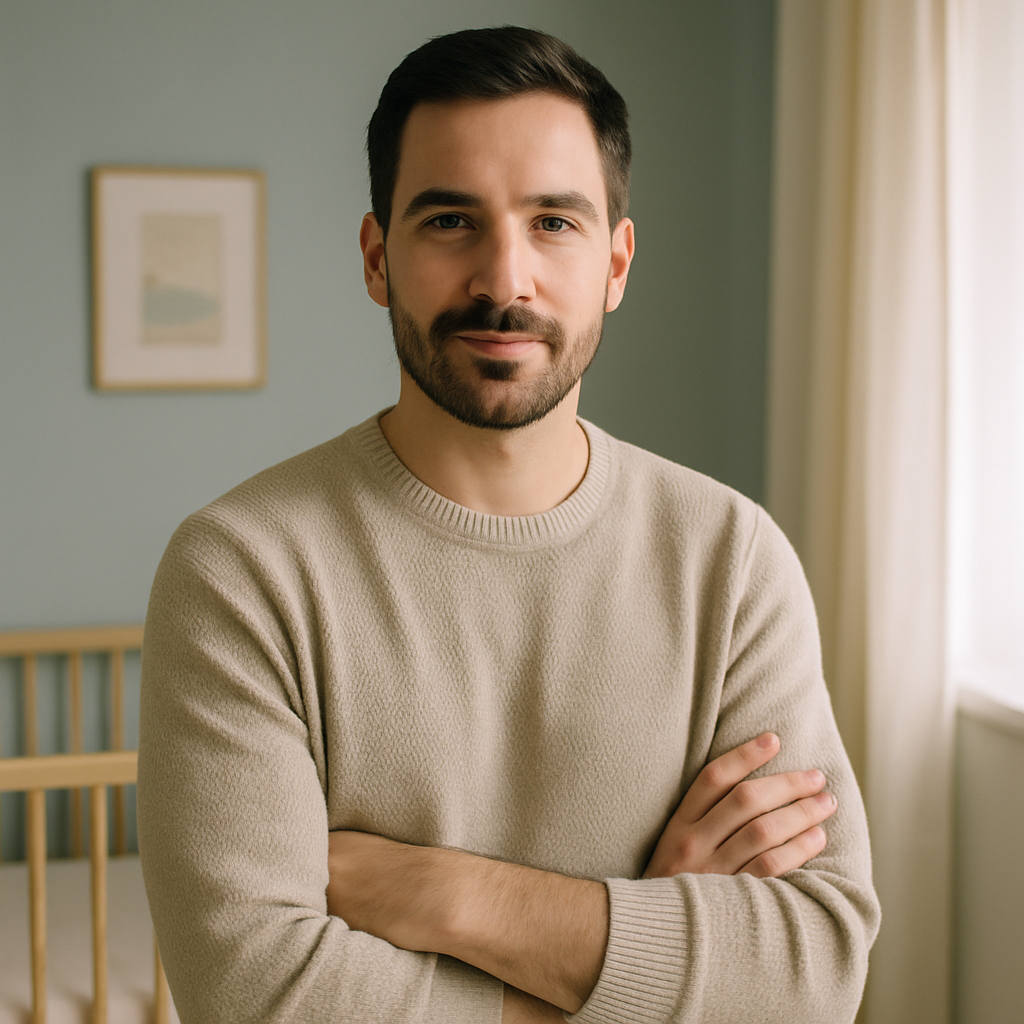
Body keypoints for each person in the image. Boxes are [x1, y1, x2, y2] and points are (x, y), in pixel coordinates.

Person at [137, 25, 880, 1024]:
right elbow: (256, 994)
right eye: (450, 220)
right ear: (376, 256)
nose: (503, 279)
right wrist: (644, 947)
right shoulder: (240, 570)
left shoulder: (731, 563)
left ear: (616, 262)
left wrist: (449, 896)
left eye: (553, 223)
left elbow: (812, 976)